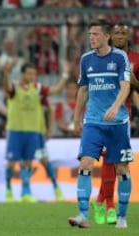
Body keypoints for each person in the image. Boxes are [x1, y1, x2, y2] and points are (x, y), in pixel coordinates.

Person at [68, 18, 132, 229]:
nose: (91, 38)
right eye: (90, 35)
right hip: (93, 121)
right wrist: (76, 118)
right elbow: (83, 90)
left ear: (107, 36)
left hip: (117, 122)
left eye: (95, 34)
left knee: (121, 169)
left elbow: (125, 86)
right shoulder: (86, 59)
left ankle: (121, 216)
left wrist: (115, 107)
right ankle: (83, 215)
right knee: (85, 163)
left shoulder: (120, 57)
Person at [91, 22, 139, 225]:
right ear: (110, 36)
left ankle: (103, 200)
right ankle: (108, 204)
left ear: (128, 36)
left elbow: (137, 87)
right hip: (100, 116)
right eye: (117, 33)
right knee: (109, 161)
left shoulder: (135, 59)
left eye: (123, 33)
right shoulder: (101, 56)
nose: (120, 36)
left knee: (116, 161)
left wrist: (130, 76)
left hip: (122, 116)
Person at [3, 61, 68, 203]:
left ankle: (27, 192)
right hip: (15, 130)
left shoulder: (38, 89)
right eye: (29, 73)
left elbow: (56, 91)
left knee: (29, 162)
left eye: (34, 73)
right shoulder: (14, 88)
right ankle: (8, 190)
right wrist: (6, 72)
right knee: (11, 162)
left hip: (34, 132)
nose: (32, 76)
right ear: (23, 74)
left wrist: (65, 74)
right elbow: (7, 86)